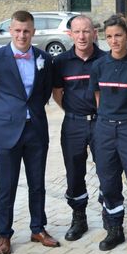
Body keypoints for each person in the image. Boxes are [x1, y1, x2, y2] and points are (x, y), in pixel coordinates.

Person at [0, 10, 58, 254]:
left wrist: (30, 112)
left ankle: (38, 228)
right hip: (6, 131)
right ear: (10, 31)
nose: (22, 35)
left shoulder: (44, 58)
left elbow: (44, 93)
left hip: (35, 129)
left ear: (33, 32)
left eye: (26, 31)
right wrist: (2, 115)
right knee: (7, 185)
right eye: (17, 30)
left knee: (37, 184)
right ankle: (4, 234)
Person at [89, 15, 127, 251]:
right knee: (108, 178)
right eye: (109, 37)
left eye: (118, 35)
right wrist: (108, 121)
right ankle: (114, 228)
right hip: (105, 128)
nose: (114, 41)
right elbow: (98, 99)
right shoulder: (98, 66)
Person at [52, 15, 106, 241]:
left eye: (86, 31)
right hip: (73, 123)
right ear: (70, 34)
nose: (82, 36)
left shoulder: (105, 59)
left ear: (94, 33)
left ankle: (110, 217)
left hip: (101, 123)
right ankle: (79, 217)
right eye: (77, 32)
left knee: (107, 169)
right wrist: (73, 111)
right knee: (74, 171)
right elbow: (57, 93)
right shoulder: (61, 62)